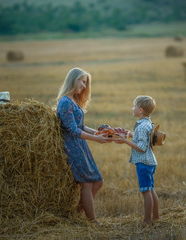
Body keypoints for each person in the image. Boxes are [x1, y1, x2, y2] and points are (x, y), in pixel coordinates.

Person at [56, 67, 112, 225]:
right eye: (82, 81)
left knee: (98, 181)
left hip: (81, 145)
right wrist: (96, 139)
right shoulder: (65, 102)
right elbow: (72, 130)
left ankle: (76, 215)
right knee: (86, 183)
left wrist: (99, 134)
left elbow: (81, 126)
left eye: (86, 82)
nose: (84, 86)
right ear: (73, 80)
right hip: (72, 147)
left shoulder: (73, 100)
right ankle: (92, 221)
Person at [115, 95, 159, 225]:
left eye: (134, 106)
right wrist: (129, 134)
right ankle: (156, 216)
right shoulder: (147, 123)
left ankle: (147, 220)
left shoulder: (141, 127)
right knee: (151, 190)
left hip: (143, 163)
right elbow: (143, 140)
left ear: (140, 110)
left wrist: (125, 141)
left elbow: (141, 147)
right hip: (150, 162)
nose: (132, 108)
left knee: (146, 191)